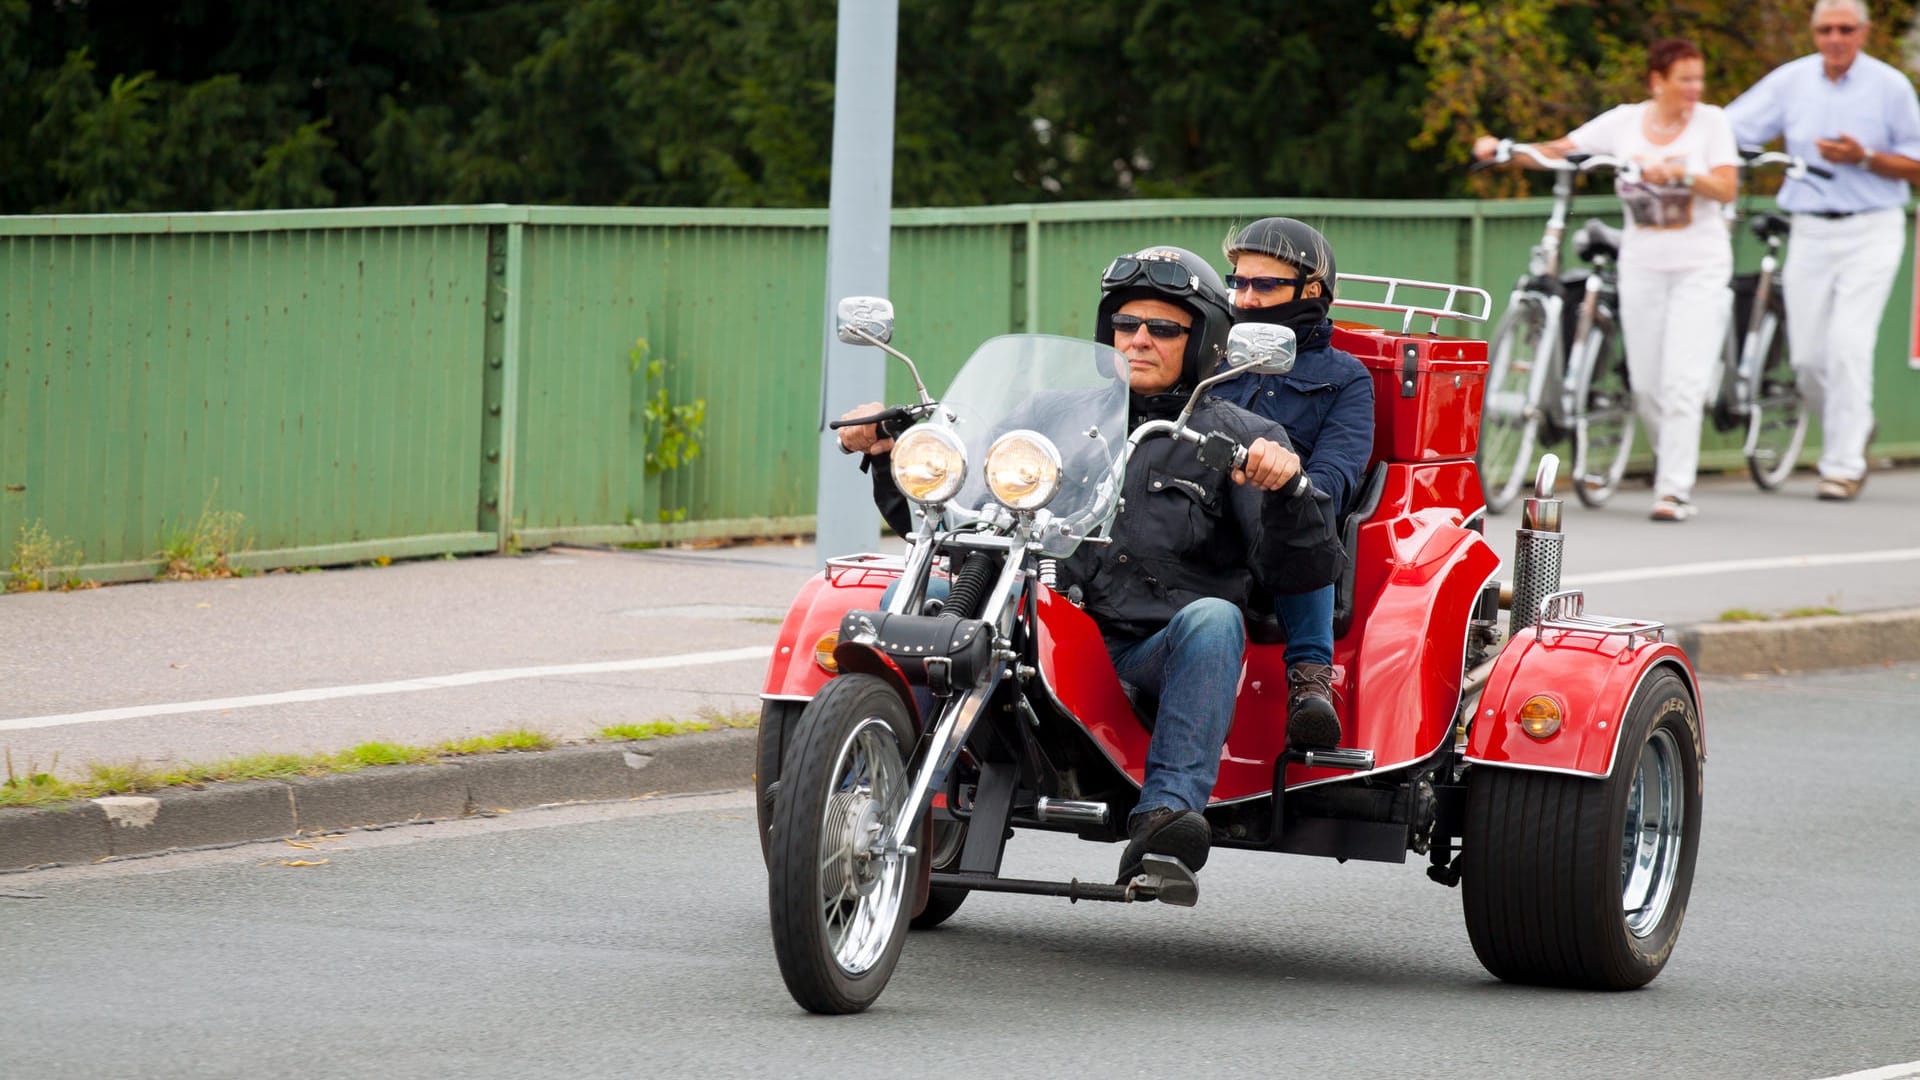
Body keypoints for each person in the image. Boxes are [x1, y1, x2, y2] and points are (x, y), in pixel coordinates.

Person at [837, 246, 1345, 884]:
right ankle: (859, 784)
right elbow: (961, 506)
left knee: (1216, 620)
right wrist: (891, 449)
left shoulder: (1244, 435)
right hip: (1044, 623)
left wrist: (1287, 487)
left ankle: (1167, 816)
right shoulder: (1052, 415)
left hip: (1144, 651)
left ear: (1204, 341)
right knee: (905, 602)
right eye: (1126, 326)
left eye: (1163, 329)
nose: (1138, 341)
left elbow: (1289, 571)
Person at [1473, 38, 1740, 523]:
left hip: (1699, 265)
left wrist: (1683, 176)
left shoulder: (1711, 123)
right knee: (1646, 384)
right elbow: (1564, 150)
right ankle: (1672, 465)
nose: (1695, 89)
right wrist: (1506, 150)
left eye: (1699, 79)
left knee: (1682, 382)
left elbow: (1727, 185)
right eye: (1686, 79)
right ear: (1658, 81)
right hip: (1641, 263)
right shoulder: (1624, 121)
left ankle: (1674, 488)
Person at [1726, 0, 1920, 501]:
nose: (1836, 38)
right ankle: (1857, 424)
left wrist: (1867, 158)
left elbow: (1917, 162)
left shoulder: (1890, 86)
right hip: (1810, 228)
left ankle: (1843, 463)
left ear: (1864, 32)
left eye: (1846, 29)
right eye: (1827, 29)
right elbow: (1731, 128)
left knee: (1848, 345)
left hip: (1872, 227)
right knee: (1809, 356)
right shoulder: (1791, 81)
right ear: (1814, 32)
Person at [1215, 217, 1374, 751]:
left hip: (1277, 529)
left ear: (1311, 292)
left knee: (1306, 507)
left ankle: (1311, 679)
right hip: (1196, 510)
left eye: (1264, 285)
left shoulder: (1348, 377)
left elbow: (1339, 477)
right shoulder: (1210, 357)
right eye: (1239, 283)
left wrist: (1280, 480)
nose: (1248, 298)